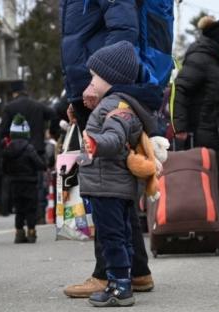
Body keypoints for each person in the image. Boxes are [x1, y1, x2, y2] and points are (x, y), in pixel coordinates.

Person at [60, 0, 173, 298]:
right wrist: (75, 95)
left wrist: (99, 86)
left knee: (105, 187)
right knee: (115, 186)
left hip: (103, 90)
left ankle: (107, 274)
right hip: (95, 88)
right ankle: (136, 271)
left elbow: (124, 32)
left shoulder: (106, 88)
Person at [79, 40, 157, 307]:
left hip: (108, 184)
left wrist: (95, 144)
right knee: (120, 235)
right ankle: (121, 280)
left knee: (112, 237)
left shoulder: (116, 107)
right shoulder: (116, 103)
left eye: (94, 77)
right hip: (112, 183)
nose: (90, 82)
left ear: (108, 78)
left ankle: (119, 286)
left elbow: (114, 137)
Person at [172, 16, 219, 234]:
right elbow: (181, 89)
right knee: (205, 180)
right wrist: (180, 126)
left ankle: (215, 227)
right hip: (204, 131)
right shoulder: (201, 59)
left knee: (218, 181)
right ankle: (201, 226)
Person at [0, 81, 55, 220]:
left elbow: (3, 131)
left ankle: (21, 217)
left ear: (14, 93)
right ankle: (39, 214)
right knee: (38, 184)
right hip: (37, 149)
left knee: (19, 186)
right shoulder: (38, 106)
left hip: (16, 152)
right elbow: (53, 113)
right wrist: (53, 131)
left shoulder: (10, 107)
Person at [2, 114, 46, 243]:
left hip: (14, 183)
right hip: (30, 183)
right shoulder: (29, 148)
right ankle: (31, 232)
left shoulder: (8, 149)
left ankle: (19, 233)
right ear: (26, 133)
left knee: (19, 209)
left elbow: (4, 168)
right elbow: (39, 164)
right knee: (30, 208)